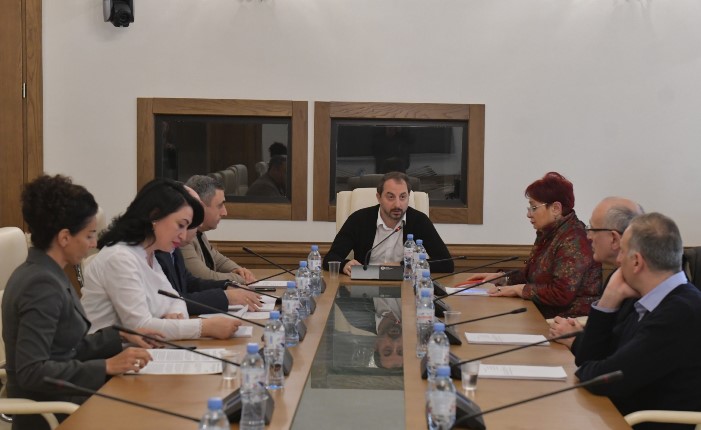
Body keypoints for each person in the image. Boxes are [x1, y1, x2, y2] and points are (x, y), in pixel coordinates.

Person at [1, 175, 157, 430]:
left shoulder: (47, 272)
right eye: (89, 235)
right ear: (64, 237)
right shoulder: (40, 285)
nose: (94, 243)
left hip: (67, 399)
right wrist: (106, 366)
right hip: (52, 412)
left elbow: (65, 348)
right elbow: (33, 371)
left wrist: (120, 336)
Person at [574, 213, 701, 427]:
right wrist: (608, 301)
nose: (618, 260)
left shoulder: (680, 313)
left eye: (622, 252)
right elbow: (588, 359)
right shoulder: (647, 300)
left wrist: (590, 368)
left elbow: (604, 378)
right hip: (617, 415)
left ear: (636, 262)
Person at [81, 178, 241, 341]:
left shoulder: (149, 255)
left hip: (145, 350)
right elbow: (140, 327)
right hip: (109, 353)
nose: (183, 235)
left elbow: (176, 300)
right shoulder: (120, 257)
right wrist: (204, 327)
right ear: (155, 216)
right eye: (180, 225)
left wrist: (175, 316)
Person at [474, 172, 602, 318]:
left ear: (556, 208)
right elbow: (534, 276)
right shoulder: (550, 233)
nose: (529, 214)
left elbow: (561, 294)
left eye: (534, 207)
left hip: (568, 322)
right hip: (543, 316)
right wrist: (503, 278)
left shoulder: (574, 239)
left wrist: (519, 289)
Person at [549, 197, 644, 349]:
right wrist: (582, 334)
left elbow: (618, 353)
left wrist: (575, 341)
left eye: (593, 229)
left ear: (614, 239)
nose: (588, 236)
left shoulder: (639, 284)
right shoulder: (618, 275)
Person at [155, 185, 262, 314]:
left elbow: (189, 282)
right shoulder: (160, 249)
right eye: (184, 223)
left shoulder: (173, 247)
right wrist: (225, 297)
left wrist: (226, 285)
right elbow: (169, 301)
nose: (199, 224)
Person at [323, 171, 453, 275]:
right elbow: (330, 258)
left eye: (403, 197)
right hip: (365, 288)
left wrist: (403, 266)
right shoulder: (359, 219)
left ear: (408, 197)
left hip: (405, 288)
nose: (397, 204)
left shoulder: (419, 221)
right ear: (379, 197)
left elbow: (446, 264)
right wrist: (344, 264)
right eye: (390, 197)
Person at [181, 175, 256, 283]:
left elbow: (218, 260)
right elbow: (204, 277)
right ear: (200, 207)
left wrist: (239, 270)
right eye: (220, 205)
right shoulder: (182, 237)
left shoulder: (200, 233)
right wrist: (241, 279)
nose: (225, 212)